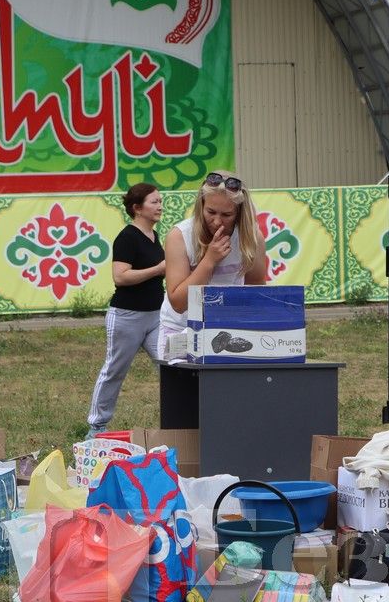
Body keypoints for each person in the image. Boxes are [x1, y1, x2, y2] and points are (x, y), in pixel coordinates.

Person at [158, 171, 268, 360]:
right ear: (201, 206)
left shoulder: (251, 238)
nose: (217, 221)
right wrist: (209, 261)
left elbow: (255, 290)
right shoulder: (180, 236)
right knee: (183, 389)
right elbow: (178, 303)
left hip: (227, 328)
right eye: (210, 212)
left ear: (240, 212)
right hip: (180, 329)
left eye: (227, 214)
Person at [85, 183, 166, 436]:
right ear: (137, 208)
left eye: (160, 201)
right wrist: (158, 269)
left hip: (156, 316)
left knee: (170, 366)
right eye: (154, 202)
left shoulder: (155, 236)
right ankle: (96, 426)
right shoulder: (127, 237)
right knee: (115, 370)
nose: (160, 206)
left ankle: (179, 421)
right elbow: (120, 277)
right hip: (127, 317)